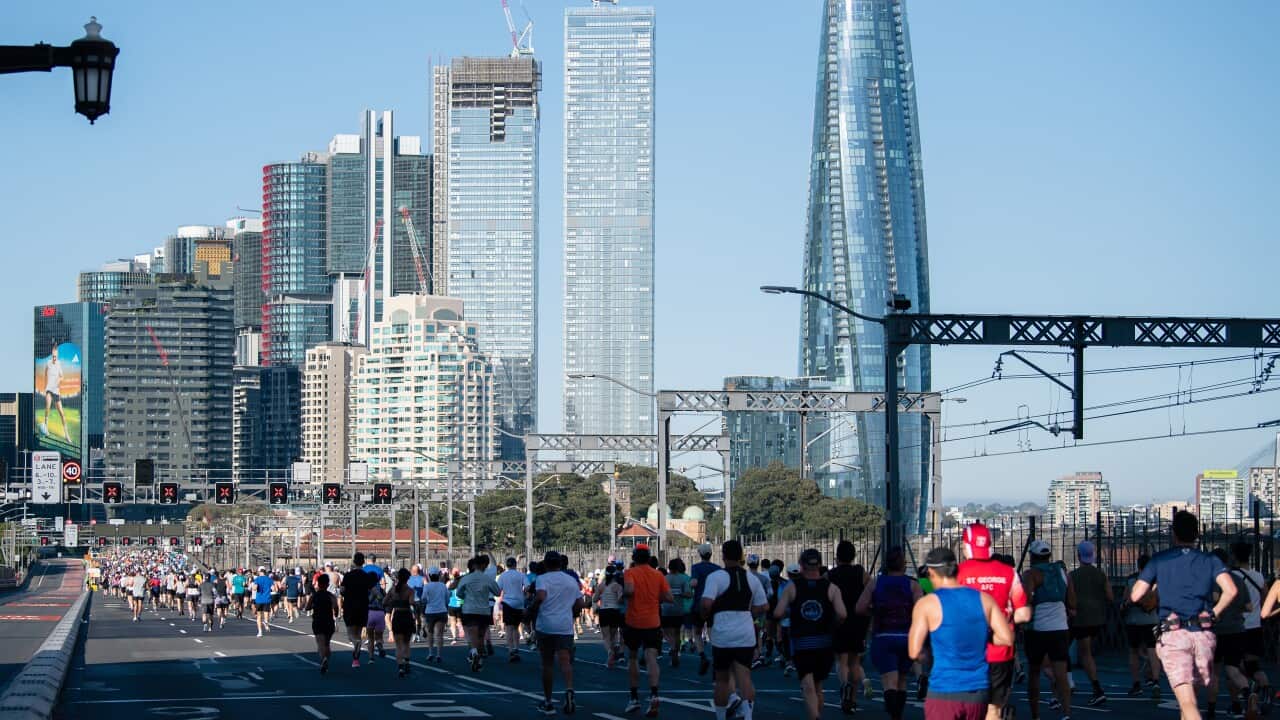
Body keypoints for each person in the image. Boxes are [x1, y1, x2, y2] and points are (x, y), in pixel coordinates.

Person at [1130, 510, 1237, 720]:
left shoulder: (1159, 560)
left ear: (1174, 533)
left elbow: (1136, 595)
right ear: (1197, 534)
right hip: (1203, 635)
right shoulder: (1210, 560)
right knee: (1189, 702)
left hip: (1174, 633)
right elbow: (1231, 590)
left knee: (1187, 702)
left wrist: (1155, 589)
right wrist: (1214, 612)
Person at [909, 548, 1015, 720]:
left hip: (944, 688)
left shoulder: (927, 603)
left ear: (931, 572)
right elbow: (1006, 638)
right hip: (977, 690)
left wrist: (929, 655)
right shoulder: (983, 599)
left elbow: (914, 651)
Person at [957, 522, 1030, 720]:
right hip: (1001, 653)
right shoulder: (1009, 573)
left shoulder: (958, 573)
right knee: (993, 709)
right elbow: (1024, 614)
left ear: (967, 546)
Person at [774, 548, 846, 720]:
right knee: (818, 686)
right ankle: (817, 714)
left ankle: (814, 717)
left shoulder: (793, 587)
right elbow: (843, 614)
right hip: (824, 642)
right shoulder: (831, 588)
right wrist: (832, 624)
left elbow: (777, 613)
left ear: (801, 565)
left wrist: (790, 613)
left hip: (802, 643)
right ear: (820, 565)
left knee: (807, 685)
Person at [703, 540, 769, 720]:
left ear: (723, 555)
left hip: (722, 633)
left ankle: (721, 716)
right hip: (745, 633)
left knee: (722, 679)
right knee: (745, 677)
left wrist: (707, 614)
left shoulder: (716, 577)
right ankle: (747, 716)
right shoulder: (752, 579)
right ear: (741, 556)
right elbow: (764, 605)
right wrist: (747, 611)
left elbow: (707, 603)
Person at [857, 546, 920, 720]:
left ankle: (894, 714)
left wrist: (874, 611)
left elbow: (860, 608)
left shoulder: (875, 583)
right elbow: (922, 610)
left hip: (883, 635)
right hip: (907, 636)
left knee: (889, 681)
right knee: (902, 680)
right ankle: (898, 713)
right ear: (904, 565)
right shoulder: (913, 584)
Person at [1021, 540, 1075, 720]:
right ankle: (1067, 712)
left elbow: (1026, 599)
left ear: (1032, 556)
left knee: (1034, 673)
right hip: (1060, 627)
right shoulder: (1062, 573)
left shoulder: (1031, 574)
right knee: (1061, 672)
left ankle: (1035, 714)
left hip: (1038, 629)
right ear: (1049, 555)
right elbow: (1072, 602)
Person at [623, 543, 674, 716]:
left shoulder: (630, 573)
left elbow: (629, 590)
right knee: (652, 657)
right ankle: (654, 694)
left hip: (634, 621)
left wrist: (625, 595)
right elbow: (669, 597)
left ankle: (634, 697)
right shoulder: (658, 575)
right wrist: (654, 596)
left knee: (632, 657)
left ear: (634, 558)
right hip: (653, 622)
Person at [532, 551, 584, 715]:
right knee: (565, 661)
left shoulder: (542, 579)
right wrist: (572, 612)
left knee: (547, 663)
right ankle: (569, 690)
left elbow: (540, 596)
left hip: (546, 625)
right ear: (561, 564)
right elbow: (580, 603)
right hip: (564, 626)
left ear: (546, 564)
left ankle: (548, 701)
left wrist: (531, 610)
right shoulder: (570, 580)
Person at [828, 540, 872, 713]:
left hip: (839, 620)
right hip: (858, 620)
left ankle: (844, 685)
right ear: (853, 555)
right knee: (855, 660)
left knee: (841, 659)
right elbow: (871, 590)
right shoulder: (860, 572)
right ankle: (853, 697)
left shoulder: (831, 575)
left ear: (837, 556)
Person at [1067, 541, 1111, 706]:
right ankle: (1074, 683)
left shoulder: (1072, 576)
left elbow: (1069, 597)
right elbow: (1110, 596)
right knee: (1086, 652)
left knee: (1083, 654)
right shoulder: (1101, 574)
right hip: (1098, 619)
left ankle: (1095, 688)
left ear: (1078, 556)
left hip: (1080, 619)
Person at [1231, 542, 1272, 713]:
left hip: (1236, 627)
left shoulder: (1231, 576)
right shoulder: (1259, 576)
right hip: (1255, 625)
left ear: (1234, 556)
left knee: (1232, 665)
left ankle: (1239, 701)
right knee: (1254, 664)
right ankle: (1265, 689)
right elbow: (1265, 600)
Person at [1122, 554, 1162, 698]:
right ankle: (1156, 681)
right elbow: (1160, 600)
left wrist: (1125, 605)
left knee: (1133, 652)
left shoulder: (1132, 580)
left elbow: (1126, 599)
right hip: (1152, 620)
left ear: (1138, 566)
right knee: (1153, 651)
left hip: (1134, 620)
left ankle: (1136, 684)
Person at [456, 557, 502, 672]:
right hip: (484, 611)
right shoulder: (487, 578)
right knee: (481, 636)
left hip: (469, 610)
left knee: (472, 635)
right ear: (484, 566)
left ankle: (474, 653)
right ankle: (479, 659)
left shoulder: (466, 578)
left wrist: (467, 596)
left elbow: (459, 593)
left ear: (474, 566)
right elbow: (497, 592)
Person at [340, 552, 377, 668]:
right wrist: (369, 599)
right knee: (359, 631)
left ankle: (355, 643)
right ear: (363, 562)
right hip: (363, 606)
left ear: (353, 562)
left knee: (350, 632)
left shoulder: (348, 575)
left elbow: (342, 590)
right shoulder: (366, 576)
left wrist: (347, 593)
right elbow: (375, 592)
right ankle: (355, 659)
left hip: (350, 605)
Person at [689, 543, 722, 675]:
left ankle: (702, 656)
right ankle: (716, 659)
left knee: (697, 632)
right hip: (714, 603)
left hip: (699, 603)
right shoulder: (717, 568)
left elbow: (694, 583)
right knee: (712, 632)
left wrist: (690, 584)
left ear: (699, 554)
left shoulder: (696, 568)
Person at [386, 568, 417, 678]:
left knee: (398, 644)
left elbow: (385, 601)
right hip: (407, 616)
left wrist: (393, 602)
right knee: (406, 642)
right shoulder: (410, 590)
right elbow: (412, 602)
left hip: (397, 616)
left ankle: (400, 667)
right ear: (407, 578)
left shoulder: (393, 590)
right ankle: (407, 662)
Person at [39, 342, 72, 443]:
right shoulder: (48, 363)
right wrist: (46, 386)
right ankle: (46, 429)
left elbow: (62, 376)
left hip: (56, 391)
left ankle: (67, 435)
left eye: (55, 357)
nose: (54, 358)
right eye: (53, 356)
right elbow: (45, 374)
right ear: (51, 354)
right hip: (49, 390)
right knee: (47, 407)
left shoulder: (59, 364)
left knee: (62, 414)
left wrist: (59, 380)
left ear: (57, 356)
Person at [498, 556, 528, 663]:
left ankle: (510, 649)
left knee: (509, 628)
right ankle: (516, 647)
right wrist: (523, 594)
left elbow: (498, 590)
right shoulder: (521, 575)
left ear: (507, 565)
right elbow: (528, 587)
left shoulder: (503, 576)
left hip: (508, 603)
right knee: (516, 626)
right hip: (519, 603)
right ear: (516, 565)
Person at [662, 558, 692, 668]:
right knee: (677, 633)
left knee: (666, 632)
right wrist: (680, 593)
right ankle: (676, 653)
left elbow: (659, 593)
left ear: (669, 567)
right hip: (679, 609)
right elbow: (689, 594)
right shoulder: (683, 579)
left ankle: (673, 648)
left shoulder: (664, 578)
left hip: (666, 609)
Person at [307, 573, 338, 674]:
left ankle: (323, 659)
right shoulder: (331, 596)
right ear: (327, 584)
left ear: (318, 584)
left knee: (320, 642)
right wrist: (336, 614)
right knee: (327, 643)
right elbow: (336, 607)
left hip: (318, 620)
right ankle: (326, 659)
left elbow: (307, 607)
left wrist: (313, 606)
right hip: (329, 621)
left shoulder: (314, 595)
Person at [596, 565, 626, 668]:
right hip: (614, 611)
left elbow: (595, 599)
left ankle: (610, 652)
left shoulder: (601, 586)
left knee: (606, 636)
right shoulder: (617, 586)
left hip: (604, 611)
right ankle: (613, 653)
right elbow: (620, 600)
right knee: (613, 636)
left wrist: (601, 595)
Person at [423, 567, 450, 663]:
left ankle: (430, 653)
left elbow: (424, 599)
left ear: (429, 576)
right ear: (438, 575)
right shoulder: (443, 586)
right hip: (441, 611)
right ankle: (439, 654)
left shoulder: (427, 586)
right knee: (440, 634)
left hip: (430, 612)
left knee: (430, 633)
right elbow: (448, 599)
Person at [251, 567, 274, 638]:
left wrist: (255, 588)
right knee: (266, 614)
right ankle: (266, 622)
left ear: (260, 572)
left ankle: (260, 632)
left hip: (259, 599)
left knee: (259, 616)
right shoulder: (269, 579)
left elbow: (254, 588)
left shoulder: (257, 579)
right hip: (267, 599)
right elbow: (274, 589)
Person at [408, 564, 426, 643]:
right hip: (419, 601)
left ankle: (415, 634)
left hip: (411, 602)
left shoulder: (408, 579)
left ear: (411, 571)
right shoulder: (423, 579)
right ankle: (417, 633)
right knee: (418, 618)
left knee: (413, 618)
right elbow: (427, 589)